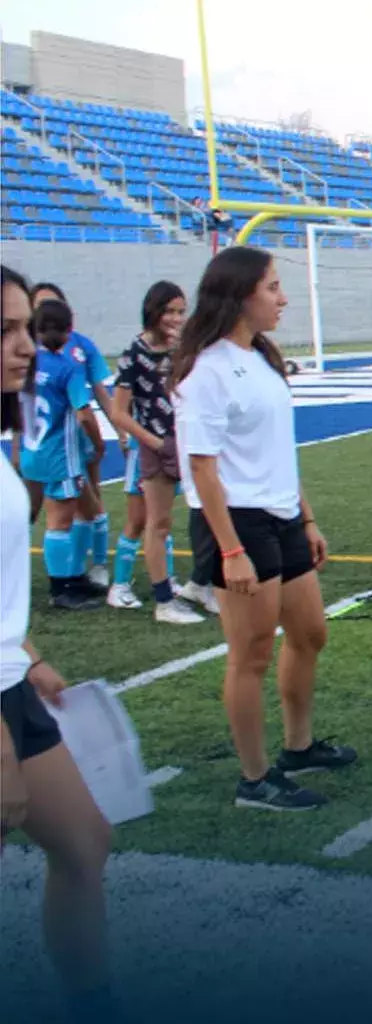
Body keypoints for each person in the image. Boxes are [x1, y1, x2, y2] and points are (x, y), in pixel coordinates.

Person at [173, 246, 356, 812]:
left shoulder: (262, 359)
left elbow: (278, 450)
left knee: (310, 634)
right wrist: (230, 550)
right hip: (237, 522)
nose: (283, 298)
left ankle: (297, 748)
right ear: (240, 295)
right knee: (249, 655)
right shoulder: (206, 370)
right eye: (273, 287)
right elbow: (202, 467)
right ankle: (255, 781)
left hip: (281, 515)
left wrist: (306, 517)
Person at [1, 263, 120, 1024]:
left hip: (10, 681)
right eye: (5, 332)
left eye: (22, 328)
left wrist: (30, 654)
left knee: (84, 842)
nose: (25, 348)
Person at [106, 281, 209, 623]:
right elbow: (119, 412)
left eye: (181, 311)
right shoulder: (133, 354)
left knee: (209, 512)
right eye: (169, 311)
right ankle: (164, 602)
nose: (176, 318)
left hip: (192, 441)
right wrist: (154, 443)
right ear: (153, 311)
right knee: (158, 523)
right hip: (158, 448)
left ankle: (201, 584)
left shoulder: (186, 347)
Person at [20, 300, 106, 610]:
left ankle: (72, 578)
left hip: (32, 449)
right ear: (70, 330)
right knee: (60, 521)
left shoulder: (29, 363)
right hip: (60, 455)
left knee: (61, 517)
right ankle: (61, 589)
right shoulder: (68, 368)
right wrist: (98, 444)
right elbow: (84, 413)